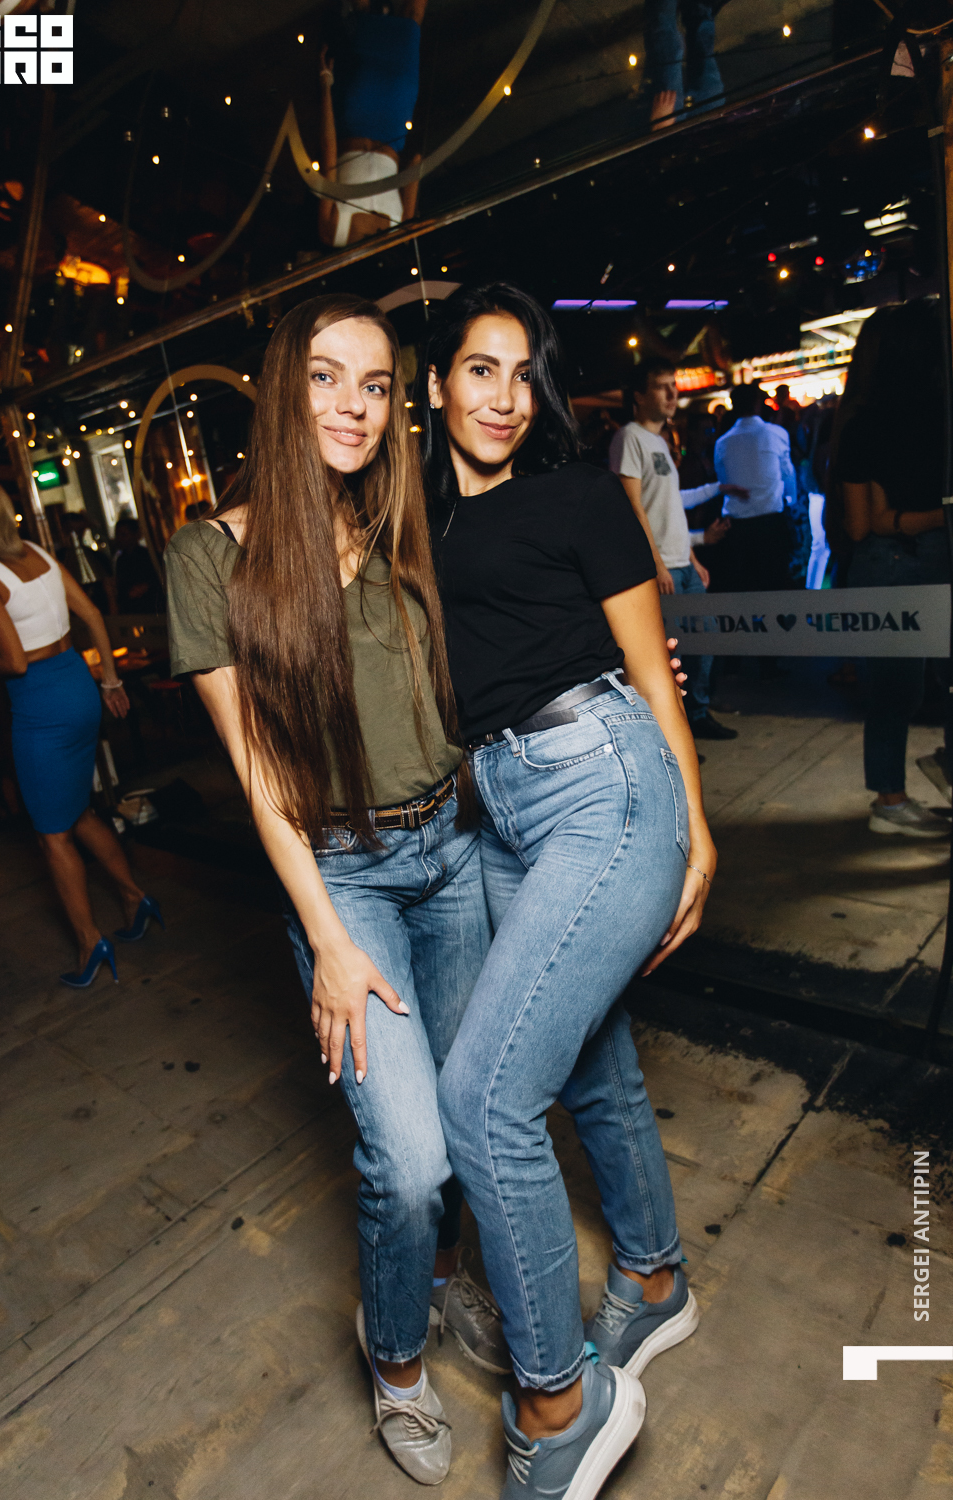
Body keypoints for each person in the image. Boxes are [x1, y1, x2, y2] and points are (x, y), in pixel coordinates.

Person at [164, 293, 507, 1487]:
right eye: (324, 377)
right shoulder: (212, 557)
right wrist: (327, 942)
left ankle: (450, 1279)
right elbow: (261, 777)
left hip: (456, 850)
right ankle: (396, 1356)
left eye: (373, 384)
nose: (353, 406)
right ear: (280, 389)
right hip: (344, 876)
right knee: (406, 1160)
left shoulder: (410, 524)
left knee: (471, 1123)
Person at [420, 284, 717, 1500]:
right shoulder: (409, 521)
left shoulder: (582, 495)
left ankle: (560, 1403)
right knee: (588, 1063)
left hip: (601, 775)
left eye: (521, 373)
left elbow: (652, 671)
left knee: (484, 1098)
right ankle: (651, 1275)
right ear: (434, 383)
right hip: (494, 802)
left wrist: (694, 828)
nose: (503, 397)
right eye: (477, 369)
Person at [0, 476, 164, 987]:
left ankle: (90, 942)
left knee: (52, 836)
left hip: (41, 704)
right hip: (77, 685)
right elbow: (91, 612)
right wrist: (110, 679)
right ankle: (135, 897)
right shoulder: (37, 552)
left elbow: (15, 662)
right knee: (78, 812)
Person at [827, 302, 950, 837]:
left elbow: (860, 526)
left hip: (889, 564)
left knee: (893, 693)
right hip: (935, 558)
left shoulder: (862, 425)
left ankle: (891, 799)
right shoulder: (942, 417)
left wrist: (899, 518)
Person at [609, 357, 741, 741]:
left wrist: (693, 555)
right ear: (639, 396)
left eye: (674, 385)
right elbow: (632, 506)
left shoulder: (661, 441)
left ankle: (696, 715)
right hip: (659, 569)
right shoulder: (629, 437)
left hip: (681, 564)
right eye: (661, 386)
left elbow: (668, 506)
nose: (672, 393)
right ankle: (675, 729)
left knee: (705, 642)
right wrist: (656, 564)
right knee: (671, 655)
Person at [316, 1, 426, 248]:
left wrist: (326, 84)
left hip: (367, 121)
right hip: (388, 122)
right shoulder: (399, 235)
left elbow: (328, 152)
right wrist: (325, 83)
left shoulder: (332, 232)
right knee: (408, 26)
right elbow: (416, 162)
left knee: (396, 22)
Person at [711, 381, 796, 591]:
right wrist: (791, 501)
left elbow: (723, 481)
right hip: (771, 522)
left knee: (745, 590)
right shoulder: (776, 433)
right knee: (775, 586)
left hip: (737, 527)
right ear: (758, 403)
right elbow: (788, 474)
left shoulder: (722, 443)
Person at [644, 0, 726, 128]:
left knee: (671, 57)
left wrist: (658, 130)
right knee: (713, 91)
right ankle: (698, 10)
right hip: (706, 131)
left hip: (671, 135)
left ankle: (662, 10)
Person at [113, 513, 165, 614]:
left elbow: (160, 579)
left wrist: (146, 586)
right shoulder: (121, 559)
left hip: (151, 608)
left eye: (124, 535)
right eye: (118, 535)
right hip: (131, 610)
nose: (120, 539)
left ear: (136, 535)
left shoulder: (149, 556)